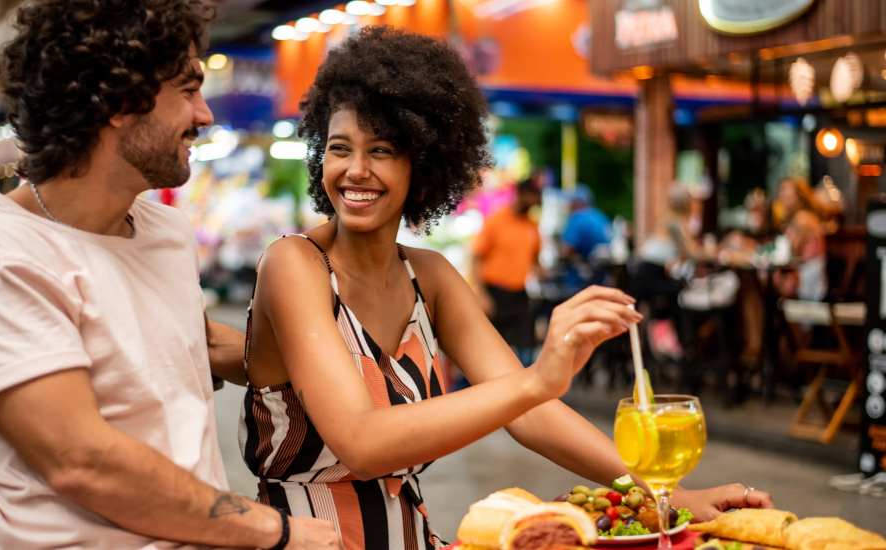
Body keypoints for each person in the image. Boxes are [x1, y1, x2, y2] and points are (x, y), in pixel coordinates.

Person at [239, 27, 773, 550]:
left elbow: (529, 411)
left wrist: (674, 496)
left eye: (381, 150)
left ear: (422, 162)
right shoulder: (294, 264)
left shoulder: (430, 276)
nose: (355, 171)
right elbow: (362, 441)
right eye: (339, 148)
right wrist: (539, 378)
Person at [0, 1, 339, 548]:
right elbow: (83, 461)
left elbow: (184, 342)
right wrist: (274, 531)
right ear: (120, 100)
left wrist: (340, 363)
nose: (205, 115)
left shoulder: (161, 229)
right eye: (188, 90)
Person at [472, 176, 543, 363]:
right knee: (489, 353)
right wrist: (480, 294)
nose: (532, 204)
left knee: (525, 351)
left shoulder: (532, 226)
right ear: (520, 195)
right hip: (494, 294)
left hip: (519, 294)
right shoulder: (497, 220)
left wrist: (541, 270)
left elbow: (535, 258)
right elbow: (476, 257)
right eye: (530, 198)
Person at [559, 184, 612, 292]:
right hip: (602, 279)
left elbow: (566, 250)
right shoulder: (600, 216)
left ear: (577, 203)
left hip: (581, 282)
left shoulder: (577, 218)